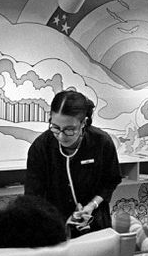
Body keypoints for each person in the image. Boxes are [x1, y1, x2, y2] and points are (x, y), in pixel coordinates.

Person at [25, 90, 121, 236]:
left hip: (94, 223)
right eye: (55, 127)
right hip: (54, 226)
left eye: (70, 129)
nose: (61, 136)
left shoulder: (101, 142)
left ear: (83, 123)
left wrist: (91, 205)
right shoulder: (40, 147)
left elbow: (110, 181)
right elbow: (33, 197)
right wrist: (56, 222)